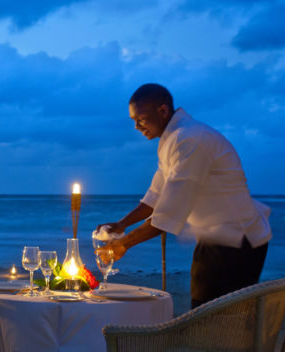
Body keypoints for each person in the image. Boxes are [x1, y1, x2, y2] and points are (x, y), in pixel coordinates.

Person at [97, 83, 271, 308]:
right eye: (133, 121)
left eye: (140, 119)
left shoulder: (190, 138)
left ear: (162, 111)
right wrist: (122, 225)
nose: (136, 127)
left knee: (215, 319)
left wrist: (124, 244)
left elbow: (170, 209)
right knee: (206, 314)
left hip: (237, 239)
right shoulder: (171, 140)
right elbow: (156, 196)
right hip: (216, 237)